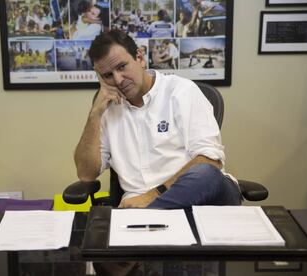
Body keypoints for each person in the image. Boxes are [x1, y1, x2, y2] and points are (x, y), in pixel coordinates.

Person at [73, 30, 241, 209]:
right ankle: (151, 217)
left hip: (202, 198)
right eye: (107, 75)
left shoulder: (181, 91)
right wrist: (95, 114)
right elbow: (85, 174)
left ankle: (149, 215)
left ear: (140, 57)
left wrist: (152, 196)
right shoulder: (107, 110)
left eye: (122, 67)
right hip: (138, 204)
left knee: (206, 173)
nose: (118, 80)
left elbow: (211, 160)